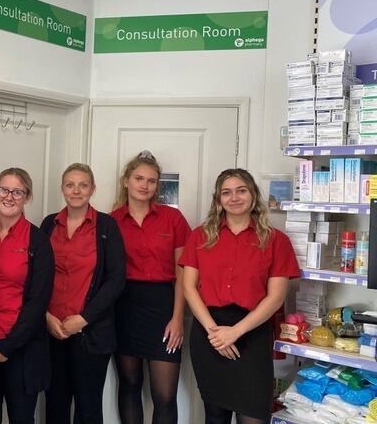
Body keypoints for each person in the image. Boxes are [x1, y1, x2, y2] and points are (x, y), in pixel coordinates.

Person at [179, 169, 299, 424]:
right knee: (215, 415)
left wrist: (234, 332)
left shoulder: (276, 240)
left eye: (241, 190)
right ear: (218, 199)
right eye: (227, 192)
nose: (234, 198)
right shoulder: (200, 236)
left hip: (252, 332)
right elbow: (189, 288)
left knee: (253, 415)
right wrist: (215, 333)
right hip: (209, 331)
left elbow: (275, 297)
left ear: (253, 195)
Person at [41, 163, 127, 424]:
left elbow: (116, 280)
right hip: (52, 330)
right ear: (62, 189)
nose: (76, 191)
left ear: (92, 189)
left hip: (90, 332)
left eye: (83, 185)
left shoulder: (106, 226)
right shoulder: (49, 224)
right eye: (70, 185)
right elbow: (36, 276)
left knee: (88, 409)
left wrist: (83, 319)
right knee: (55, 406)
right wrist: (46, 317)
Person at [110, 151, 191, 424]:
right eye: (139, 178)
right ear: (126, 181)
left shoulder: (173, 218)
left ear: (157, 186)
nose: (144, 185)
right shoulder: (112, 221)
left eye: (151, 181)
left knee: (165, 395)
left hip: (163, 308)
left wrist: (178, 318)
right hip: (124, 307)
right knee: (129, 385)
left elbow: (183, 273)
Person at [0, 168, 55, 424]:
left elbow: (38, 302)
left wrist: (6, 346)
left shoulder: (39, 242)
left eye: (17, 192)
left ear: (27, 197)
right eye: (3, 190)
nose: (9, 197)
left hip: (22, 350)